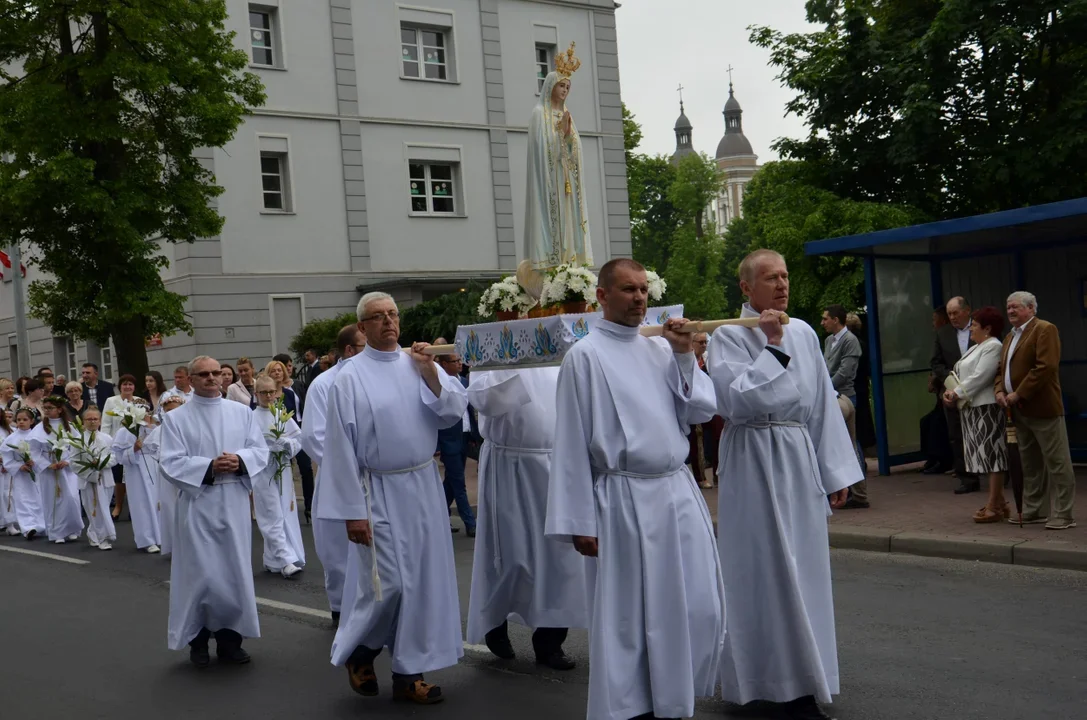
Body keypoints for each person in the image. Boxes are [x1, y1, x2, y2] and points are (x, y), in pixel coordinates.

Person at [546, 258, 723, 720]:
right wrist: (577, 520)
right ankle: (630, 710)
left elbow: (701, 409)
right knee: (629, 618)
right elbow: (569, 444)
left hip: (674, 491)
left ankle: (672, 699)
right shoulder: (584, 356)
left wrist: (685, 355)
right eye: (628, 290)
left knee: (695, 606)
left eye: (644, 289)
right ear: (602, 297)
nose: (640, 298)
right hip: (621, 499)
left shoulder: (662, 348)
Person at [708, 249, 859, 720]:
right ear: (746, 288)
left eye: (785, 276)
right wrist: (772, 345)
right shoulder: (727, 336)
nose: (781, 284)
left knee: (805, 571)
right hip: (752, 459)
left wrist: (834, 471)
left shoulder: (806, 332)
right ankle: (765, 683)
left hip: (795, 458)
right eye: (770, 277)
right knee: (762, 573)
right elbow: (739, 402)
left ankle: (807, 678)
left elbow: (818, 406)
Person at [319, 292, 467, 705]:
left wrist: (431, 373)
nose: (388, 322)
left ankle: (408, 675)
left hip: (421, 484)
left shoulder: (417, 364)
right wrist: (351, 513)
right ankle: (361, 653)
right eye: (377, 317)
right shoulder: (348, 377)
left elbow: (453, 412)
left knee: (421, 582)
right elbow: (339, 448)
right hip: (376, 491)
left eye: (393, 315)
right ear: (362, 328)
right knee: (389, 584)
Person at [466, 365, 587, 670]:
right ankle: (495, 622)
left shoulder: (564, 348)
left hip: (557, 461)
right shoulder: (494, 352)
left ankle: (550, 641)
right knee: (512, 555)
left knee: (562, 557)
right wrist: (513, 361)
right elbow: (487, 402)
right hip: (511, 464)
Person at [159, 355, 269, 667]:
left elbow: (259, 449)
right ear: (190, 380)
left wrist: (241, 460)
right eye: (203, 374)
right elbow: (169, 462)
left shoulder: (240, 413)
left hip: (232, 500)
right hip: (198, 503)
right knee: (201, 576)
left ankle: (230, 641)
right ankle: (197, 641)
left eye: (215, 373)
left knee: (233, 573)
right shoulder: (177, 418)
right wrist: (208, 466)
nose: (211, 378)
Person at [300, 324, 367, 629]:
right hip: (339, 478)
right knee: (338, 548)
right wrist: (350, 465)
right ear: (349, 350)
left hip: (376, 478)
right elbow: (313, 436)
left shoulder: (375, 377)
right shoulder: (324, 384)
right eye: (365, 346)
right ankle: (341, 607)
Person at [995, 291, 1076, 529]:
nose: (1010, 311)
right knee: (1030, 463)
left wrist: (1019, 392)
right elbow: (1001, 369)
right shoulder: (1010, 336)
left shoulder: (1044, 329)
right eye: (1008, 307)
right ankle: (1035, 509)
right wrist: (999, 390)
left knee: (1057, 461)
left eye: (1016, 307)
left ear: (1031, 309)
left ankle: (1064, 513)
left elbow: (1046, 367)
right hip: (1017, 410)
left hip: (1043, 408)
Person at [518, 42, 593, 299]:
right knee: (552, 226)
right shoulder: (539, 114)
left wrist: (568, 136)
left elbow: (575, 152)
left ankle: (569, 268)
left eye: (568, 87)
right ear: (551, 86)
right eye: (562, 85)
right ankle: (551, 271)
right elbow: (541, 152)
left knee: (568, 227)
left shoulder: (566, 114)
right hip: (548, 183)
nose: (564, 91)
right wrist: (558, 137)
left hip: (565, 182)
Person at [941, 307, 1007, 523]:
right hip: (972, 408)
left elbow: (981, 376)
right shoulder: (978, 347)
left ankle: (993, 504)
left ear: (987, 329)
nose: (971, 330)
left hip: (986, 408)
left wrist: (956, 392)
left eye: (975, 326)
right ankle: (1000, 502)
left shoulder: (993, 346)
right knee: (984, 457)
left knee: (992, 456)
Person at [252, 375, 304, 578]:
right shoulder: (251, 417)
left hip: (282, 470)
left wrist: (287, 445)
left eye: (271, 392)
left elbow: (298, 438)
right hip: (263, 472)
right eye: (263, 392)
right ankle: (284, 559)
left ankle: (274, 559)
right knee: (271, 513)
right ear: (256, 394)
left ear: (277, 392)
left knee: (284, 512)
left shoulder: (281, 414)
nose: (267, 396)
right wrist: (265, 450)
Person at [932, 296, 978, 493]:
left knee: (982, 432)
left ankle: (998, 472)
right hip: (952, 391)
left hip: (978, 389)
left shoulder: (980, 329)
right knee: (957, 435)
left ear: (967, 311)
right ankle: (966, 478)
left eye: (955, 313)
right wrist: (950, 379)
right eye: (949, 314)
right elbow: (935, 362)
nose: (952, 317)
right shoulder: (943, 334)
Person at [111, 388, 162, 554]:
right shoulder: (124, 432)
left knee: (158, 502)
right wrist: (133, 449)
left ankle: (161, 535)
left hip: (154, 468)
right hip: (136, 470)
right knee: (141, 504)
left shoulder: (155, 429)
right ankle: (147, 539)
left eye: (146, 412)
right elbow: (118, 457)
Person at [433, 341, 476, 536]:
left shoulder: (465, 381)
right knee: (459, 483)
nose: (459, 363)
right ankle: (471, 523)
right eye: (454, 361)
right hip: (449, 441)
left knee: (451, 482)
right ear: (443, 364)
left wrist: (474, 434)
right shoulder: (438, 384)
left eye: (460, 360)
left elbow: (470, 409)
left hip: (465, 437)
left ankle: (438, 515)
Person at [29, 397, 84, 544]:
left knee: (71, 498)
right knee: (53, 500)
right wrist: (47, 464)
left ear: (59, 409)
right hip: (49, 469)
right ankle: (56, 532)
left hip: (67, 469)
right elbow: (34, 451)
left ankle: (72, 528)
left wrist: (68, 461)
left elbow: (77, 447)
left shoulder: (69, 427)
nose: (46, 410)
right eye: (45, 408)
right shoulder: (40, 428)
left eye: (50, 408)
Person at [71, 406, 118, 550]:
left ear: (100, 421)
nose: (92, 422)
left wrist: (102, 463)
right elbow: (74, 462)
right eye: (89, 419)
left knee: (103, 507)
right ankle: (103, 538)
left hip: (105, 478)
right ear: (83, 421)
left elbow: (115, 457)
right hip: (88, 480)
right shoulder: (78, 440)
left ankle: (93, 533)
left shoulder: (107, 438)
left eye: (95, 419)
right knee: (94, 508)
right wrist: (90, 473)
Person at [1, 408, 46, 539]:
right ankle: (27, 528)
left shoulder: (37, 436)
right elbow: (7, 459)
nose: (21, 422)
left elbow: (43, 453)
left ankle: (40, 525)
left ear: (31, 421)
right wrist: (19, 466)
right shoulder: (11, 438)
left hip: (36, 473)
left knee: (38, 499)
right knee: (22, 500)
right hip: (21, 476)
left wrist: (35, 462)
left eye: (25, 420)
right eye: (19, 420)